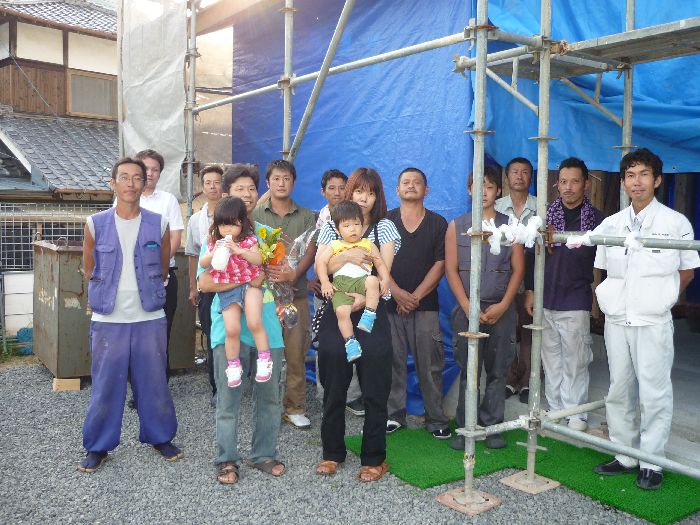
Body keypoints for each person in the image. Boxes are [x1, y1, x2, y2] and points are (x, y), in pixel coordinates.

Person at [592, 148, 699, 490]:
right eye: (630, 175)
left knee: (654, 392)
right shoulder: (612, 224)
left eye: (643, 175)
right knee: (619, 388)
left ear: (657, 180)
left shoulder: (675, 223)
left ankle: (652, 461)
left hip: (653, 321)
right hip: (617, 319)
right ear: (623, 182)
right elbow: (602, 268)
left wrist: (662, 297)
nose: (636, 182)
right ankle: (624, 454)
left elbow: (687, 272)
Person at [79, 158, 182, 473]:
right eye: (124, 177)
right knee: (105, 385)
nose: (131, 183)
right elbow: (89, 269)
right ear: (113, 183)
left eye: (137, 177)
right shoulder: (95, 223)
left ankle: (160, 437)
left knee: (153, 382)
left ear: (144, 183)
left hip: (149, 316)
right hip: (108, 318)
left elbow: (163, 268)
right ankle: (98, 446)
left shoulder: (158, 223)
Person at [198, 165, 286, 484]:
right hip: (229, 327)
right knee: (228, 397)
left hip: (267, 327)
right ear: (226, 195)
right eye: (239, 189)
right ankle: (226, 458)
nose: (247, 194)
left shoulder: (267, 235)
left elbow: (282, 275)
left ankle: (264, 454)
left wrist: (275, 274)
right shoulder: (215, 236)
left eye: (251, 188)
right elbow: (205, 283)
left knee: (269, 397)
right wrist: (248, 280)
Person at [314, 167, 401, 482]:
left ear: (378, 197)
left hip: (371, 310)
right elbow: (323, 266)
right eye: (359, 191)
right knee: (334, 380)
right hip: (337, 308)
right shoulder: (330, 225)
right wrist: (347, 257)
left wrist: (364, 299)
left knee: (376, 385)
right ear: (348, 193)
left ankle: (374, 458)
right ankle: (332, 452)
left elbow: (383, 272)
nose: (364, 198)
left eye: (371, 192)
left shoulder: (384, 227)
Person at [445, 166, 524, 450]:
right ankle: (466, 426)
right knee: (469, 371)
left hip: (501, 310)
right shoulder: (456, 226)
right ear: (469, 190)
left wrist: (503, 306)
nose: (483, 192)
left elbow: (518, 270)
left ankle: (493, 426)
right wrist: (467, 307)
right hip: (467, 310)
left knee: (498, 370)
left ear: (498, 191)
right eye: (477, 186)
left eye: (489, 186)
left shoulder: (510, 225)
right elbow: (451, 270)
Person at [523, 158, 604, 431]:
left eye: (575, 181)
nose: (568, 187)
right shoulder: (543, 218)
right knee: (551, 358)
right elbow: (530, 256)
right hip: (546, 298)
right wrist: (530, 291)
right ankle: (556, 408)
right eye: (564, 182)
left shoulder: (597, 221)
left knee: (576, 358)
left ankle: (576, 413)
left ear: (586, 184)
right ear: (557, 184)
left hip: (576, 298)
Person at [385, 167, 450, 439]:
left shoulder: (438, 223)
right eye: (405, 182)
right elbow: (377, 262)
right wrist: (397, 293)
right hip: (390, 305)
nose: (411, 186)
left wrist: (414, 297)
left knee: (430, 365)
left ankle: (436, 418)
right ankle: (393, 415)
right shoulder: (386, 222)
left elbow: (441, 264)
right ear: (397, 189)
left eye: (417, 182)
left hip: (425, 307)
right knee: (393, 363)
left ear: (426, 189)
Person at [253, 159, 317, 430]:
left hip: (296, 296)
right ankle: (265, 407)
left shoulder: (306, 216)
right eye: (276, 179)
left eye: (286, 178)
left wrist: (294, 273)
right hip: (264, 298)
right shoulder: (255, 215)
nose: (281, 183)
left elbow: (311, 249)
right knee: (264, 354)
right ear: (268, 183)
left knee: (295, 354)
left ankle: (295, 407)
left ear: (294, 182)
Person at [200, 197, 271, 388]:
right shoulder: (215, 241)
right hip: (228, 287)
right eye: (223, 225)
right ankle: (233, 365)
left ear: (242, 222)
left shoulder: (250, 240)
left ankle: (264, 359)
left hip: (251, 285)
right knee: (231, 329)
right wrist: (213, 253)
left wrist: (239, 250)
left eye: (233, 224)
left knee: (254, 322)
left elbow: (258, 260)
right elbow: (203, 263)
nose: (228, 230)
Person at [316, 200, 391, 362]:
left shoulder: (368, 244)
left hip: (361, 281)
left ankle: (369, 314)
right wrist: (325, 282)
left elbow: (379, 263)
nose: (353, 229)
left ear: (362, 225)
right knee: (341, 312)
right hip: (340, 285)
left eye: (356, 224)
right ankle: (350, 342)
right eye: (347, 225)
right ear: (338, 229)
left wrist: (385, 280)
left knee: (373, 280)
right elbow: (321, 263)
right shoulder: (335, 245)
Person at [495, 157, 537, 404]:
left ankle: (528, 382)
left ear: (531, 177)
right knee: (507, 330)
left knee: (530, 330)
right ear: (507, 177)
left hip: (533, 278)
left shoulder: (541, 206)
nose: (519, 176)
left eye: (525, 172)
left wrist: (532, 285)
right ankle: (510, 379)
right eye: (514, 172)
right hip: (505, 278)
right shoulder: (497, 206)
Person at [185, 164, 224, 405]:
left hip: (232, 282)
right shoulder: (195, 220)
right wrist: (193, 287)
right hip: (207, 285)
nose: (212, 187)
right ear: (202, 186)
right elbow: (192, 255)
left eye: (217, 182)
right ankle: (216, 387)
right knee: (212, 336)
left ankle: (238, 381)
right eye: (208, 182)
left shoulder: (233, 213)